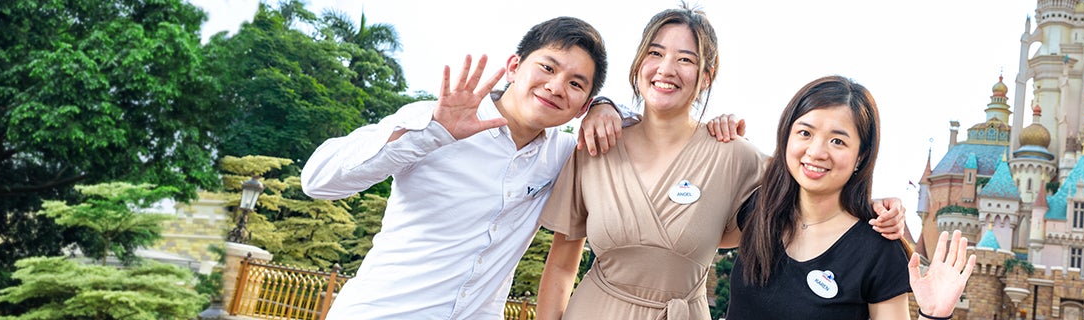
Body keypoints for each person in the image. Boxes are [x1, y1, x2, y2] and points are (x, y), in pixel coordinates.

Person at [535, 7, 907, 320]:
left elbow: (809, 183)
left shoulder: (732, 154)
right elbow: (563, 265)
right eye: (655, 53)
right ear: (638, 62)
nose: (667, 68)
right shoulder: (595, 143)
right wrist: (603, 104)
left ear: (706, 76)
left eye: (686, 59)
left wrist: (874, 209)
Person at [300, 16, 617, 319]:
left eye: (576, 84)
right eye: (547, 67)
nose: (556, 87)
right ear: (514, 67)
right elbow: (318, 181)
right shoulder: (433, 118)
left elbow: (646, 125)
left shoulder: (564, 156)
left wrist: (608, 107)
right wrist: (433, 132)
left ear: (583, 106)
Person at [725, 76, 974, 319]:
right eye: (805, 133)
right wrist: (714, 133)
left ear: (861, 157)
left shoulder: (877, 248)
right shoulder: (760, 209)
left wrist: (933, 314)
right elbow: (690, 244)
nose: (816, 151)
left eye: (837, 141)